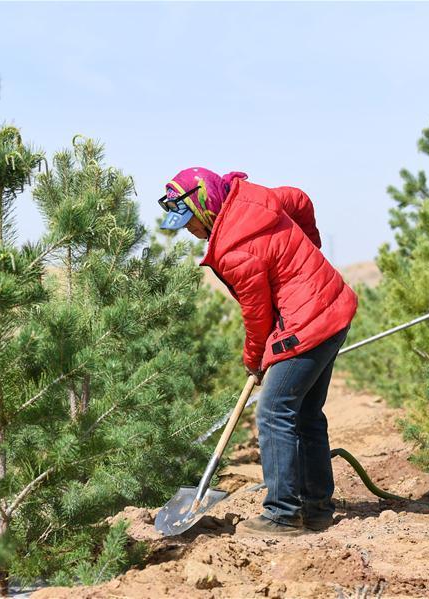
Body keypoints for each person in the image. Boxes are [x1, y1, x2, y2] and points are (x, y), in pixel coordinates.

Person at [158, 167, 358, 536]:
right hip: (332, 303)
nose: (189, 230)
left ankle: (282, 514)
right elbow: (299, 199)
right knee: (306, 413)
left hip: (309, 319)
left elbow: (257, 314)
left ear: (205, 206)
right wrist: (308, 255)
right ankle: (316, 510)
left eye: (189, 222)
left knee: (273, 411)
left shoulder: (234, 250)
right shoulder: (250, 199)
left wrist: (254, 359)